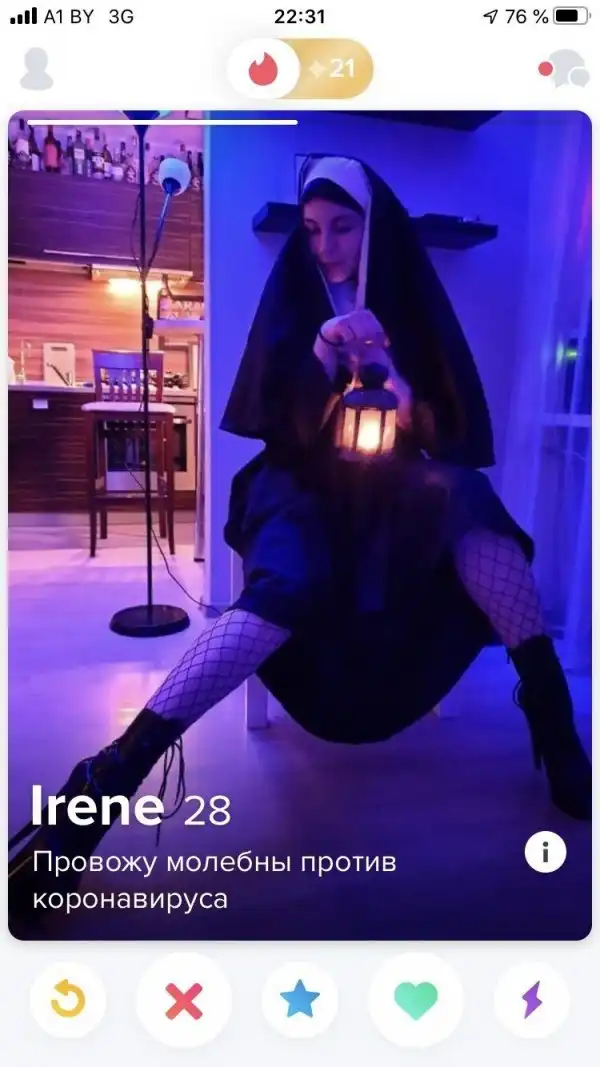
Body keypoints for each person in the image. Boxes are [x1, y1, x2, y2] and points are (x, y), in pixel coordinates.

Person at [8, 155, 591, 933]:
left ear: (375, 226)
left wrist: (393, 380)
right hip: (297, 480)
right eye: (313, 229)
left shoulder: (409, 299)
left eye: (343, 227)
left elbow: (446, 433)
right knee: (289, 581)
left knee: (468, 503)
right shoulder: (295, 294)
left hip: (395, 480)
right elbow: (274, 425)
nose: (326, 245)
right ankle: (106, 777)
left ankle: (552, 719)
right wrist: (321, 350)